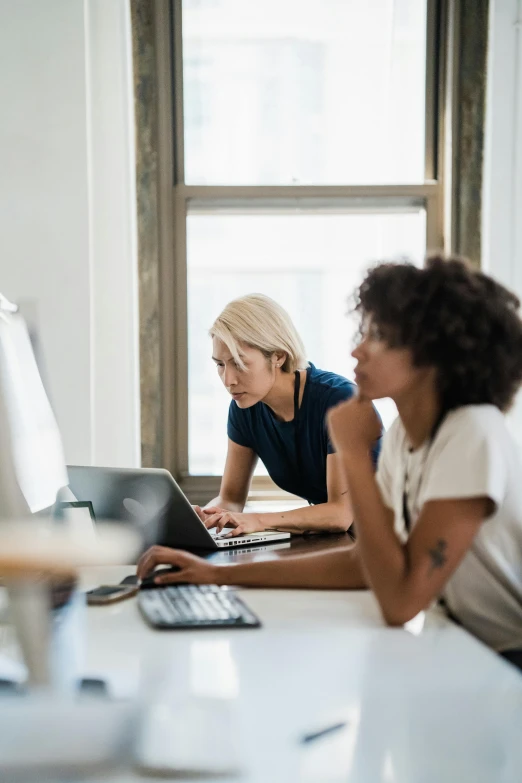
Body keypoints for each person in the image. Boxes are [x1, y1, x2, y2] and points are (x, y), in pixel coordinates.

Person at [138, 256, 522, 659]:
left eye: (378, 336)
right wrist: (215, 573)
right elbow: (361, 564)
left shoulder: (472, 433)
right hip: (462, 648)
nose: (357, 351)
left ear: (429, 357)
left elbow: (400, 603)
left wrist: (353, 451)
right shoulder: (404, 440)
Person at [191, 293, 381, 536]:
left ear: (278, 356)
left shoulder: (338, 399)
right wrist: (202, 519)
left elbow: (340, 514)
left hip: (393, 537)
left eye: (239, 362)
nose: (228, 380)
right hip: (340, 542)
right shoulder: (244, 407)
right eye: (220, 364)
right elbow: (230, 500)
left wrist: (256, 520)